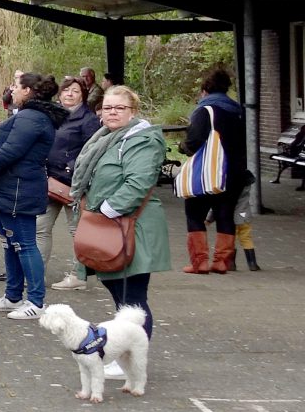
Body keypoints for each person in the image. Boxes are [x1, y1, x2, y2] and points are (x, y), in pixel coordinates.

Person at [0, 71, 66, 320]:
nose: (12, 89)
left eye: (16, 86)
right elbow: (9, 142)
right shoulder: (28, 116)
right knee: (10, 243)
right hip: (8, 188)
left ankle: (37, 301)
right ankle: (13, 296)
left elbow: (11, 151)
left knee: (25, 245)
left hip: (19, 190)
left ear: (28, 90)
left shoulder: (33, 117)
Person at [70, 84, 170, 346]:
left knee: (132, 299)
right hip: (109, 227)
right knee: (120, 294)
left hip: (131, 227)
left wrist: (104, 210)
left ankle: (132, 357)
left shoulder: (142, 140)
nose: (112, 113)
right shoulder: (106, 138)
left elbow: (138, 182)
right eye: (107, 108)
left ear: (133, 111)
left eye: (119, 108)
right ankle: (126, 354)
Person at [180, 66, 252, 274]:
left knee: (194, 212)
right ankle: (222, 262)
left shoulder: (205, 110)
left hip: (209, 173)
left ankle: (199, 262)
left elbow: (193, 141)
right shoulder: (237, 111)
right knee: (225, 214)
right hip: (235, 173)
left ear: (205, 91)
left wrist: (182, 147)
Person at [44, 77, 102, 291]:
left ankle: (80, 275)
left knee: (77, 230)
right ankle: (34, 273)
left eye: (75, 91)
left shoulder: (88, 120)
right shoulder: (52, 116)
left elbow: (93, 151)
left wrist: (70, 167)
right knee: (41, 228)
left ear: (83, 95)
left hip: (74, 183)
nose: (69, 94)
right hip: (49, 181)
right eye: (66, 90)